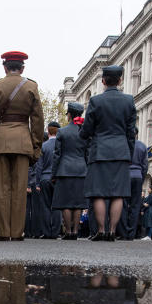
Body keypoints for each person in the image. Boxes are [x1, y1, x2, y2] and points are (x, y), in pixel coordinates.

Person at [0, 51, 45, 241]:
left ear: (5, 67)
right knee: (19, 189)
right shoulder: (31, 86)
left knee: (1, 189)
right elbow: (38, 120)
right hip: (23, 142)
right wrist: (36, 147)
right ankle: (17, 232)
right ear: (22, 68)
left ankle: (4, 233)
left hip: (1, 142)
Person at [79, 65, 136, 241]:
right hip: (121, 150)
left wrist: (85, 135)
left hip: (100, 151)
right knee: (118, 193)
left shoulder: (96, 101)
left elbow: (86, 130)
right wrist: (128, 152)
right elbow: (131, 131)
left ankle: (102, 230)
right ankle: (112, 231)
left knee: (99, 192)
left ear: (103, 81)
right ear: (120, 81)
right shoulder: (129, 101)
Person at [52, 103, 89, 240]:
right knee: (78, 203)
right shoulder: (84, 132)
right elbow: (87, 152)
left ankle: (68, 231)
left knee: (66, 202)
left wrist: (54, 174)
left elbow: (57, 154)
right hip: (81, 169)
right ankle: (75, 232)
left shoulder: (62, 132)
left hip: (64, 170)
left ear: (69, 114)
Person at [118, 121, 149, 241]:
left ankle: (123, 231)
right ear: (137, 134)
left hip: (125, 175)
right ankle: (131, 233)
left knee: (124, 204)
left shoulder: (124, 144)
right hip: (138, 176)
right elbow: (145, 165)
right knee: (135, 205)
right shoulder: (142, 146)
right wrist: (141, 176)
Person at [33, 121, 61, 238]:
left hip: (45, 178)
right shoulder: (61, 145)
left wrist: (37, 182)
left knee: (45, 206)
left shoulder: (43, 146)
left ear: (48, 131)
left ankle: (46, 232)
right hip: (58, 178)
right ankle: (55, 231)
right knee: (57, 206)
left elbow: (39, 166)